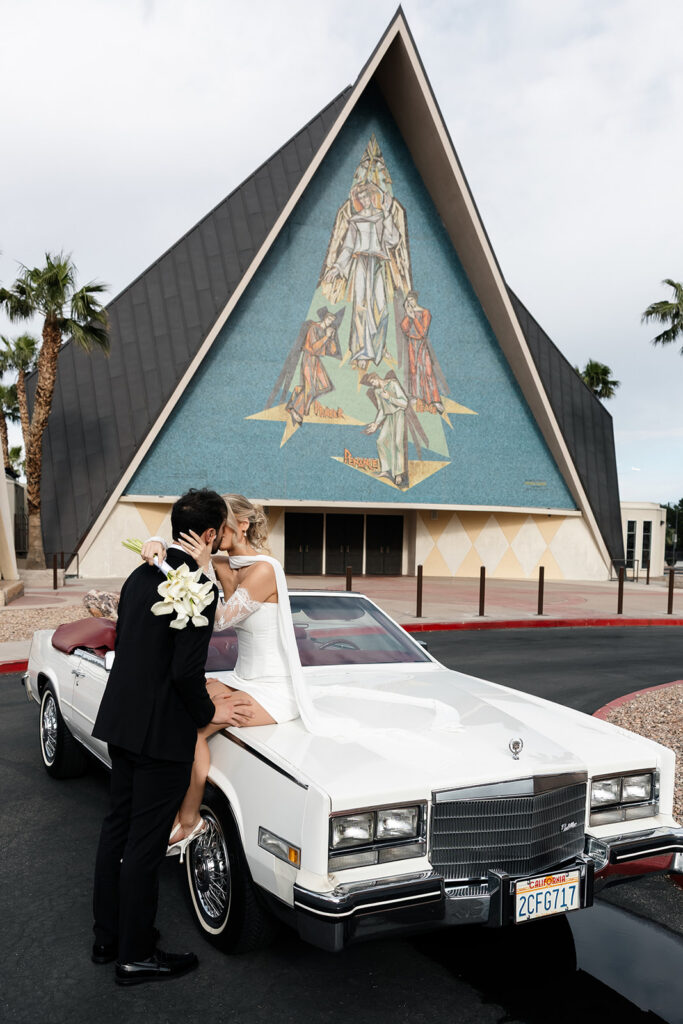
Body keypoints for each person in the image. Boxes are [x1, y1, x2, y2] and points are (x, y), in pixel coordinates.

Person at [91, 488, 253, 986]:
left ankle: (109, 937)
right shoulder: (196, 589)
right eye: (220, 533)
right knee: (144, 843)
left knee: (117, 829)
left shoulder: (142, 575)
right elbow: (187, 672)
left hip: (122, 720)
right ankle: (136, 955)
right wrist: (209, 711)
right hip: (161, 733)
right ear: (208, 535)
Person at [141, 494, 297, 852]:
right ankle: (166, 812)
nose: (210, 532)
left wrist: (206, 567)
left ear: (242, 525)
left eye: (221, 523)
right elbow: (184, 547)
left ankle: (189, 820)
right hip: (242, 678)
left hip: (273, 690)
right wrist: (158, 542)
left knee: (192, 728)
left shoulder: (265, 569)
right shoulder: (226, 564)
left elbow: (221, 619)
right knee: (178, 706)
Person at [361, 371, 409, 487]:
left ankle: (398, 473)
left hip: (398, 415)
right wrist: (376, 424)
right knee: (381, 441)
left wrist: (390, 398)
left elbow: (404, 403)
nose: (373, 384)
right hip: (388, 417)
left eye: (373, 381)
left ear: (376, 377)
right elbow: (382, 410)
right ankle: (386, 469)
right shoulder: (377, 391)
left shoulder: (393, 384)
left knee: (397, 443)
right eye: (371, 383)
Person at [399, 292, 444, 413]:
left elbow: (423, 332)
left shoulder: (425, 312)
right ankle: (416, 395)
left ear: (416, 300)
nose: (410, 303)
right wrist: (408, 315)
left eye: (411, 300)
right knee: (413, 370)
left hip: (421, 345)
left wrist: (414, 318)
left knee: (427, 371)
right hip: (412, 344)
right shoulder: (410, 313)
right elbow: (404, 328)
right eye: (408, 301)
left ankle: (435, 400)